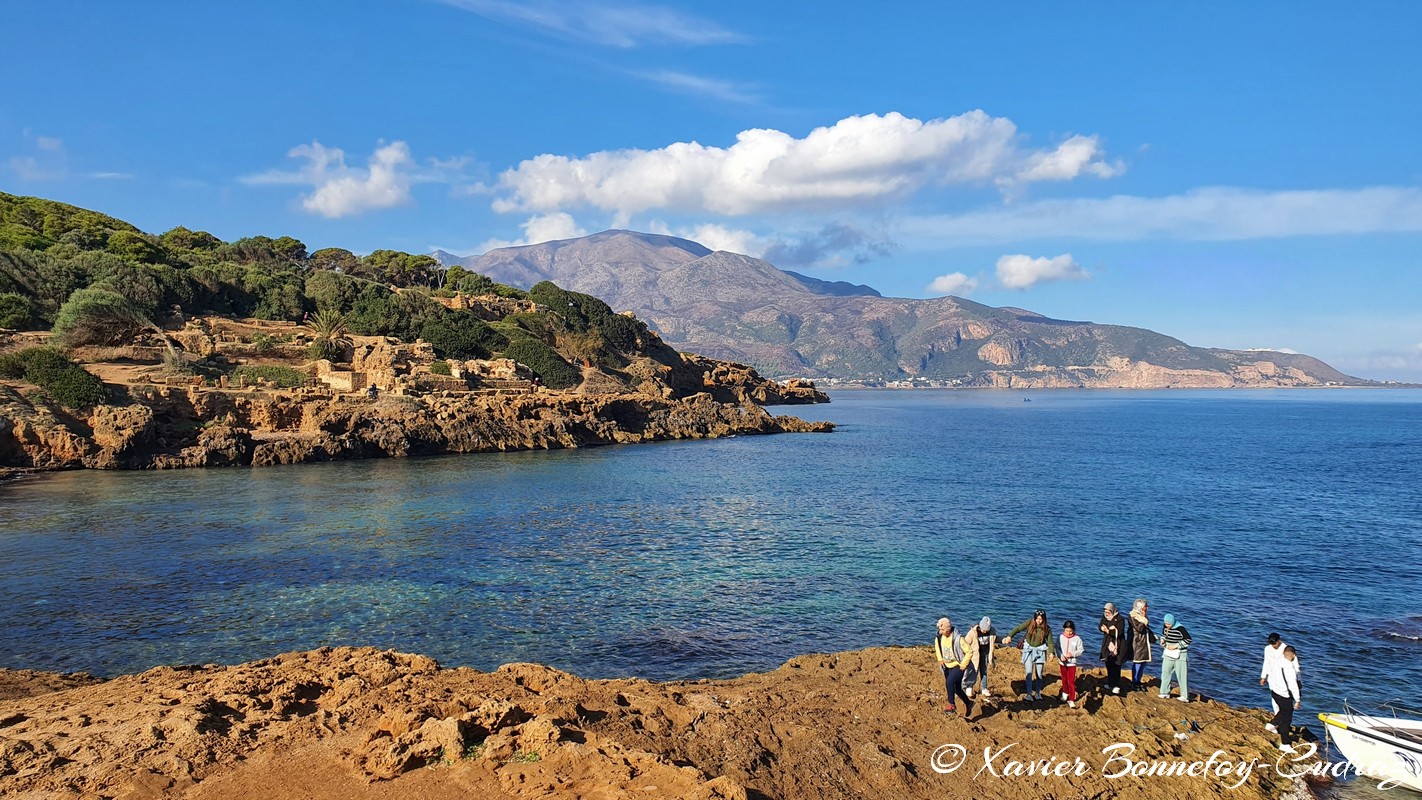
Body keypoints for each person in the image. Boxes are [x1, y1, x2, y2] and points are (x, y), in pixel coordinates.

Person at [1003, 609, 1056, 701]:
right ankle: (1029, 694)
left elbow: (1050, 642)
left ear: (1044, 619)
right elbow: (1018, 629)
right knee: (1029, 672)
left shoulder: (1047, 629)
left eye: (1041, 619)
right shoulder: (1029, 623)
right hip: (1028, 650)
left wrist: (1051, 652)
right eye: (1037, 619)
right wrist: (1009, 636)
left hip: (1040, 651)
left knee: (1039, 674)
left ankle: (1038, 693)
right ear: (1034, 618)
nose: (1039, 621)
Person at [934, 617, 975, 717]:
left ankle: (951, 705)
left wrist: (963, 664)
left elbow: (969, 651)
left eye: (942, 630)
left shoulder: (958, 639)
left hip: (958, 665)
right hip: (947, 666)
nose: (941, 631)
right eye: (940, 629)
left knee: (949, 682)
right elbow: (937, 646)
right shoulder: (939, 637)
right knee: (956, 688)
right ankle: (969, 704)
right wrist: (940, 659)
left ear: (948, 629)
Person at [1265, 645, 1303, 749]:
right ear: (1294, 655)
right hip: (1284, 694)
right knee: (1287, 718)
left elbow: (1270, 674)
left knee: (1283, 710)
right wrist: (1297, 699)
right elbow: (1293, 685)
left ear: (1283, 653)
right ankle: (1285, 743)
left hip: (1275, 692)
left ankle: (1272, 724)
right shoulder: (1289, 668)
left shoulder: (1277, 662)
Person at [1158, 613, 1192, 702]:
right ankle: (1164, 692)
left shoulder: (1180, 628)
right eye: (1166, 624)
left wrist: (1176, 646)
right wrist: (1162, 641)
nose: (1167, 626)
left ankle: (1184, 696)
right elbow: (1164, 635)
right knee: (1165, 672)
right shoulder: (1165, 627)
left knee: (1182, 675)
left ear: (1173, 622)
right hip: (1168, 653)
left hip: (1180, 654)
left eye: (1169, 624)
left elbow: (1188, 640)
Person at [1261, 632, 1291, 729]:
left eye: (1275, 644)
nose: (1273, 646)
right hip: (1272, 677)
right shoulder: (1267, 649)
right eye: (1271, 644)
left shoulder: (1285, 649)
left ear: (1279, 641)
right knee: (1274, 698)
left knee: (1282, 698)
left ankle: (1278, 719)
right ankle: (1277, 716)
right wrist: (1263, 676)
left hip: (1282, 678)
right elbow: (1266, 662)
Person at [962, 617, 997, 698]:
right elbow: (965, 643)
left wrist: (1004, 640)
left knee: (984, 671)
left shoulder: (991, 632)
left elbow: (995, 639)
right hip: (975, 656)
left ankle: (984, 688)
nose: (984, 632)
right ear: (980, 626)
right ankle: (969, 687)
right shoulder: (973, 633)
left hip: (985, 654)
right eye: (983, 630)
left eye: (986, 630)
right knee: (973, 671)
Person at [1099, 602, 1127, 695]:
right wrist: (1102, 629)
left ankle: (1116, 685)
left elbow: (1119, 632)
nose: (1107, 613)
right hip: (1107, 644)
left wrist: (1108, 631)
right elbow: (1100, 625)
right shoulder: (1104, 617)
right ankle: (1110, 683)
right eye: (1106, 611)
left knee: (1116, 665)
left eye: (1108, 612)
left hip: (1117, 644)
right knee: (1108, 663)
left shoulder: (1120, 619)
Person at [1128, 599, 1155, 691]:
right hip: (1137, 642)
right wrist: (1143, 619)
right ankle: (1134, 681)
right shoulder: (1133, 616)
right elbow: (1139, 628)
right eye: (1145, 607)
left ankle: (1138, 681)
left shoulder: (1142, 616)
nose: (1147, 608)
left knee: (1143, 663)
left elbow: (1146, 628)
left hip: (1144, 642)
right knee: (1138, 662)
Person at [1058, 620, 1084, 708]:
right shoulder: (1060, 637)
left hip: (1072, 663)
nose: (1068, 633)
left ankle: (1072, 699)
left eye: (1070, 631)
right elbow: (1056, 648)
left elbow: (1081, 650)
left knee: (1071, 682)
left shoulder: (1077, 639)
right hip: (1062, 662)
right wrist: (1060, 655)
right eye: (1066, 631)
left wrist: (1072, 654)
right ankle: (1065, 692)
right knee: (1064, 679)